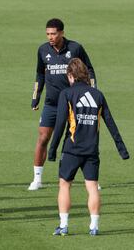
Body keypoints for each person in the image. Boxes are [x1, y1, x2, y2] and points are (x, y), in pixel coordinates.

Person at [48, 58, 129, 236]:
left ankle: (63, 225)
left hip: (72, 149)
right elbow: (110, 123)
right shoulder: (98, 95)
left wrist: (52, 150)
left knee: (64, 185)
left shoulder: (66, 94)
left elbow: (61, 123)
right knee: (92, 187)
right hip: (92, 150)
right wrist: (122, 150)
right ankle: (94, 227)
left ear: (70, 75)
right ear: (85, 75)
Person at [29, 18, 97, 190]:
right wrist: (35, 97)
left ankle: (92, 179)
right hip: (52, 104)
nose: (50, 37)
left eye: (53, 33)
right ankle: (37, 179)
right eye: (48, 34)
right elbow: (40, 75)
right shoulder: (43, 50)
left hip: (74, 103)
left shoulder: (75, 48)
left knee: (80, 138)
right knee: (43, 138)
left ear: (62, 33)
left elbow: (89, 70)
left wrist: (93, 93)